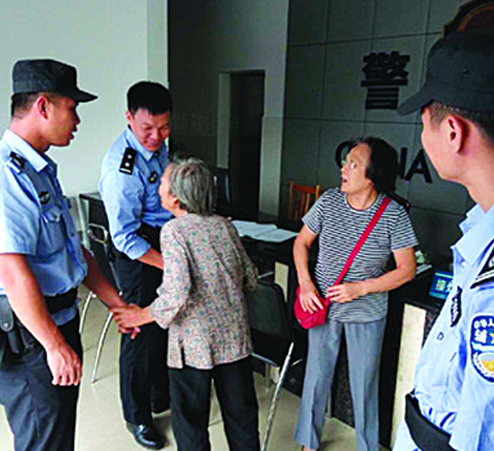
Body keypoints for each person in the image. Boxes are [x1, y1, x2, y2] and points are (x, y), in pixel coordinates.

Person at [0, 59, 130, 451]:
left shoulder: (40, 170)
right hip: (33, 338)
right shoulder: (9, 175)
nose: (77, 120)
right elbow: (11, 271)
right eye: (71, 108)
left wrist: (116, 303)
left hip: (58, 323)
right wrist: (54, 345)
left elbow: (72, 251)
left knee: (56, 437)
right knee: (43, 441)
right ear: (43, 106)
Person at [111, 158, 261, 451]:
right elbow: (251, 279)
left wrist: (139, 316)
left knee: (190, 423)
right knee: (242, 421)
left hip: (195, 344)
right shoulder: (225, 226)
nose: (158, 188)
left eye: (162, 183)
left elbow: (176, 294)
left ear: (176, 199)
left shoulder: (174, 231)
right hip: (235, 340)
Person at [392, 31, 494, 451]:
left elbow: (484, 416)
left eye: (423, 124)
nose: (422, 136)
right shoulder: (479, 227)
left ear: (453, 131)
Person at [294, 137, 418, 451]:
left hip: (367, 313)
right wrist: (306, 283)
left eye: (353, 164)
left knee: (364, 385)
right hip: (323, 306)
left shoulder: (394, 214)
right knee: (316, 377)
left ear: (372, 175)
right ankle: (308, 442)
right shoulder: (329, 201)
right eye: (345, 162)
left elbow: (407, 270)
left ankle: (367, 446)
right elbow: (301, 242)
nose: (343, 169)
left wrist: (361, 288)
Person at [99, 81, 173, 449]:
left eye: (164, 127)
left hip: (163, 240)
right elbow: (124, 238)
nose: (156, 137)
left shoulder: (159, 146)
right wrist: (167, 265)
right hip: (138, 252)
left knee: (164, 321)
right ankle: (137, 416)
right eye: (147, 129)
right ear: (129, 118)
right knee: (139, 331)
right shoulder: (122, 168)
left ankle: (159, 394)